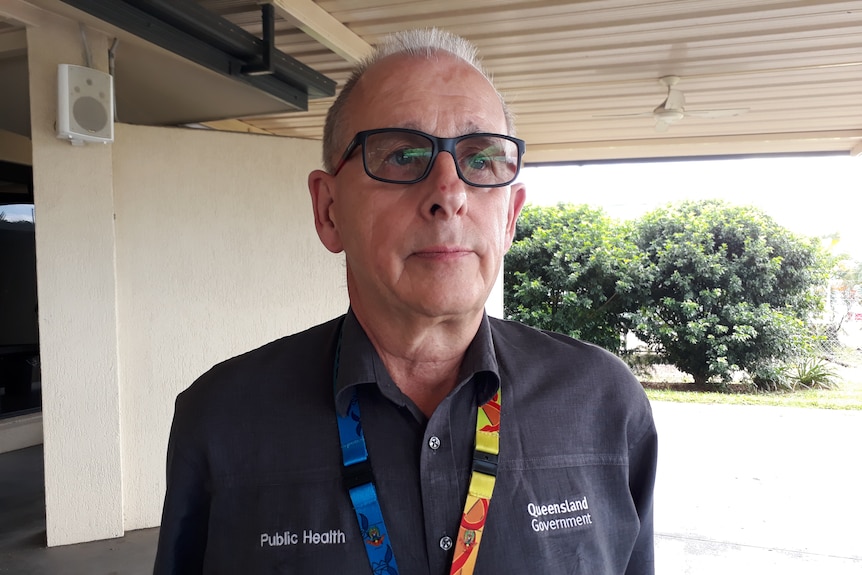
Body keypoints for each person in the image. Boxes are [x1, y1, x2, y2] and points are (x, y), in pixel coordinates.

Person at [154, 28, 656, 575]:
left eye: (482, 159)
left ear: (510, 217)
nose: (449, 193)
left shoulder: (605, 404)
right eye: (401, 155)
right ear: (328, 211)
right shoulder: (222, 420)